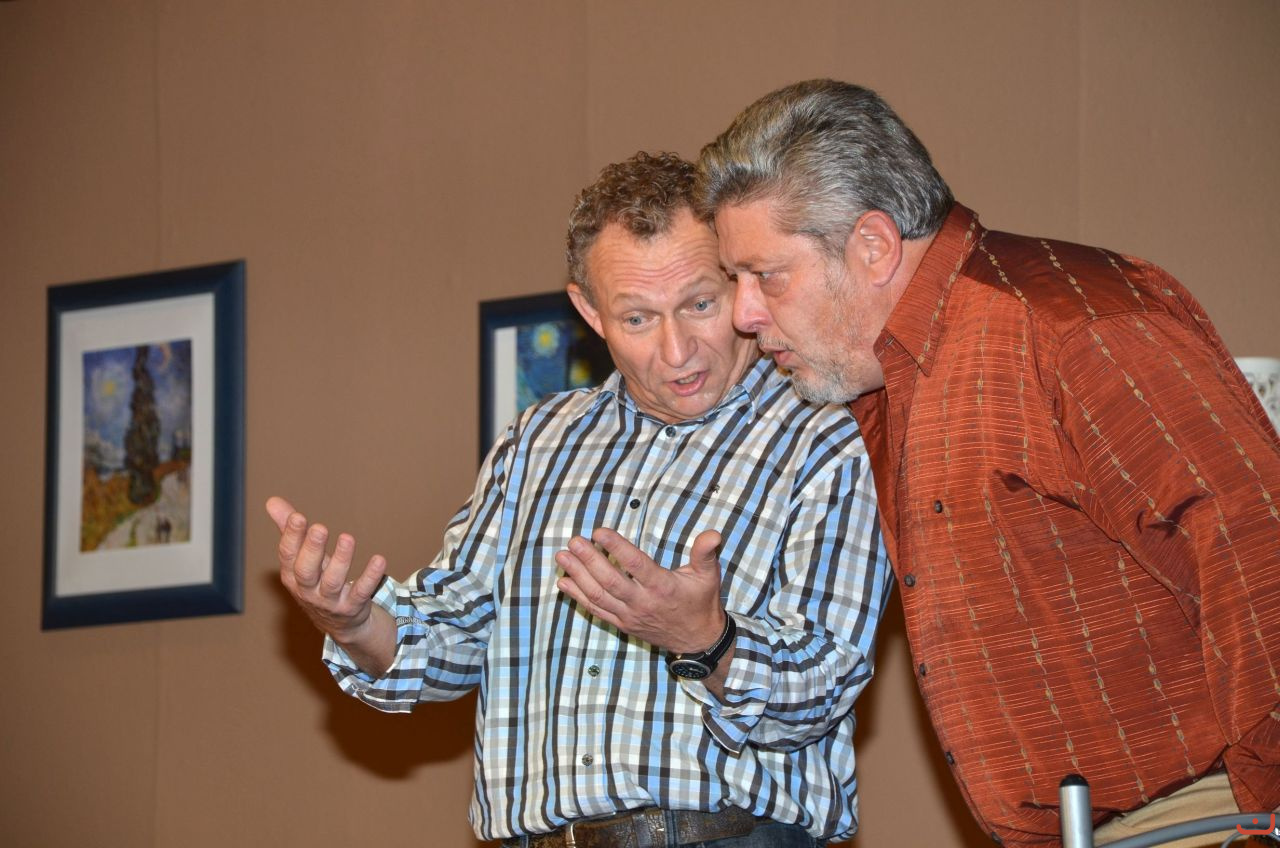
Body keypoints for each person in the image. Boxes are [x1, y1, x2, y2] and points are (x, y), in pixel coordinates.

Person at [699, 79, 1280, 847]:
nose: (743, 313)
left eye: (766, 275)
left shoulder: (1072, 327)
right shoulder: (892, 379)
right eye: (734, 281)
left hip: (1203, 821)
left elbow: (1257, 549)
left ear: (873, 247)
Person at [270, 151, 890, 847]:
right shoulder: (538, 441)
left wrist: (706, 640)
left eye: (700, 305)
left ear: (740, 285)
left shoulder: (825, 437)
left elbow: (825, 686)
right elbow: (453, 632)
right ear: (589, 312)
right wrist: (356, 623)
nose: (678, 350)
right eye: (638, 319)